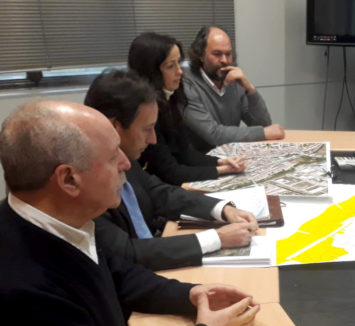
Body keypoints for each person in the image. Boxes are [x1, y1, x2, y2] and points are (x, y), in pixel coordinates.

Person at [0, 100, 260, 326]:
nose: (126, 163)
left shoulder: (60, 221)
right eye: (112, 157)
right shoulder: (24, 287)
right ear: (68, 179)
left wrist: (191, 294)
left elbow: (121, 275)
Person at [84, 69, 258, 271]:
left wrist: (222, 209)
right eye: (146, 129)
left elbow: (159, 193)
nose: (153, 140)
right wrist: (216, 239)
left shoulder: (123, 160)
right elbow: (126, 253)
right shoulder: (85, 180)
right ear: (114, 127)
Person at [128, 32, 245, 184]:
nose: (179, 71)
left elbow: (184, 153)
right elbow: (170, 172)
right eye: (171, 66)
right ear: (151, 71)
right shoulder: (144, 111)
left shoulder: (171, 97)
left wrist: (221, 162)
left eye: (179, 63)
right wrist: (223, 170)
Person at [182, 25, 285, 152]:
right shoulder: (186, 85)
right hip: (201, 159)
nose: (224, 60)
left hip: (231, 156)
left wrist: (249, 88)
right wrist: (262, 133)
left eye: (228, 54)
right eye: (217, 54)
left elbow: (263, 125)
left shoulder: (234, 80)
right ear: (200, 55)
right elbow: (213, 134)